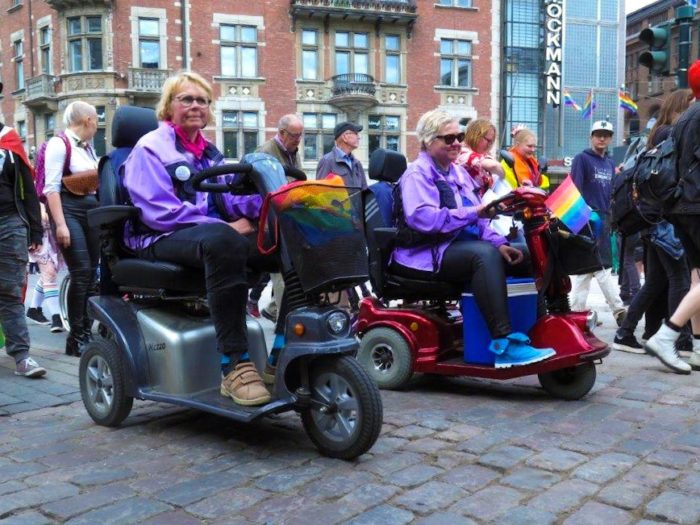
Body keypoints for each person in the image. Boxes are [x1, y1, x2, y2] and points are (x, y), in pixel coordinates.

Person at [123, 71, 275, 405]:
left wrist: (269, 204)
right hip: (158, 237)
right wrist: (225, 227)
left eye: (202, 100)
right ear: (168, 107)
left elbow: (228, 197)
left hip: (204, 237)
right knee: (225, 241)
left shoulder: (209, 154)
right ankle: (234, 365)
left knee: (280, 241)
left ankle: (282, 353)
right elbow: (158, 212)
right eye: (187, 99)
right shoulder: (150, 149)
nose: (196, 106)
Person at [390, 109, 555, 368]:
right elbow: (425, 219)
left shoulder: (457, 173)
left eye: (459, 136)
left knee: (523, 252)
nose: (457, 142)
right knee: (483, 255)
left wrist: (500, 243)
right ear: (428, 141)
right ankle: (503, 343)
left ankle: (537, 328)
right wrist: (476, 217)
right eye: (449, 138)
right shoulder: (416, 174)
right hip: (423, 254)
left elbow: (479, 218)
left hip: (455, 247)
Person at [613, 89, 693, 356]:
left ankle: (625, 332)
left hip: (653, 219)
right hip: (664, 219)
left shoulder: (658, 134)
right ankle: (677, 340)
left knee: (656, 281)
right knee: (679, 278)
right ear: (681, 107)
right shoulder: (672, 134)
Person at [645, 60, 700, 373]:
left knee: (698, 276)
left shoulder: (685, 116)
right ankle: (667, 335)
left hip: (681, 205)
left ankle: (699, 350)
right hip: (697, 203)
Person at [44, 101, 100, 357]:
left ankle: (85, 332)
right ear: (87, 120)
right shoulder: (59, 143)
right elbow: (51, 188)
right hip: (69, 211)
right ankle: (76, 337)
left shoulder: (88, 148)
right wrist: (61, 225)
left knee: (90, 277)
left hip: (90, 212)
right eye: (96, 120)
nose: (97, 125)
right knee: (81, 273)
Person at [0, 80, 47, 377]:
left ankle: (22, 357)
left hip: (10, 223)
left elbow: (28, 190)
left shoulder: (9, 140)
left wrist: (35, 231)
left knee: (10, 292)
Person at [569, 120, 627, 326]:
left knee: (587, 269)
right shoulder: (581, 159)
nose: (602, 138)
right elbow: (573, 190)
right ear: (591, 137)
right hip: (586, 218)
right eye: (598, 134)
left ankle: (576, 313)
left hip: (604, 218)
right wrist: (579, 221)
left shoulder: (610, 164)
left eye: (606, 135)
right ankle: (619, 310)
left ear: (611, 139)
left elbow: (612, 192)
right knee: (600, 266)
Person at [252, 114, 305, 323]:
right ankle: (287, 324)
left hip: (289, 220)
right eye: (294, 135)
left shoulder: (293, 151)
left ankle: (276, 311)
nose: (298, 139)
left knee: (291, 273)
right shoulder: (265, 153)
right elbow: (261, 193)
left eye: (301, 135)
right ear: (282, 133)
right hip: (272, 225)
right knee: (283, 276)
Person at [26, 202, 65, 333]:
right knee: (49, 274)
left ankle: (33, 309)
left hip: (57, 232)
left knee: (49, 274)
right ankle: (57, 317)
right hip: (39, 234)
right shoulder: (36, 185)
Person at [456, 118, 504, 197]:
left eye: (491, 142)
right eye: (488, 140)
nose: (489, 145)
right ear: (475, 136)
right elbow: (495, 166)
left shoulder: (484, 155)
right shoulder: (462, 152)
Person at [316, 121, 367, 189]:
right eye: (356, 134)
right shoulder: (327, 161)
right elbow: (320, 191)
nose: (358, 137)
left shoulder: (357, 163)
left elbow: (365, 191)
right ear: (345, 137)